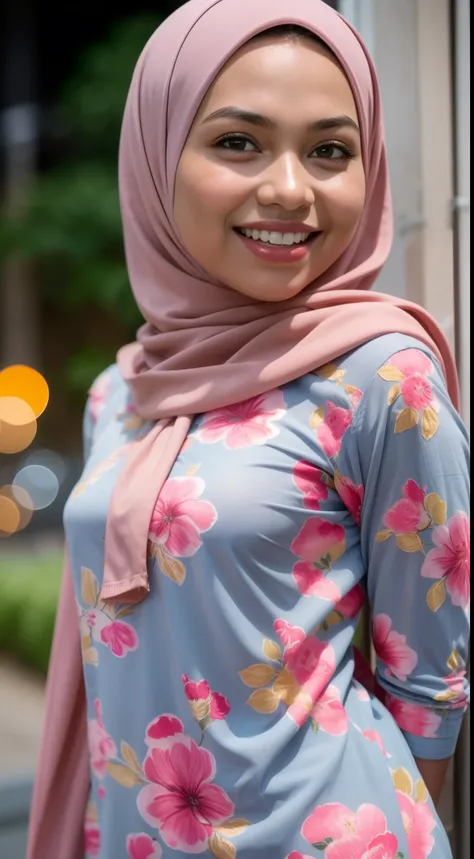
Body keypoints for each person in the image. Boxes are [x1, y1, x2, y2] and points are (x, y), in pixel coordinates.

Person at [27, 1, 470, 857]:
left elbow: (432, 679)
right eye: (239, 142)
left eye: (331, 151)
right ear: (156, 159)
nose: (291, 189)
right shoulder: (124, 390)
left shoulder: (383, 374)